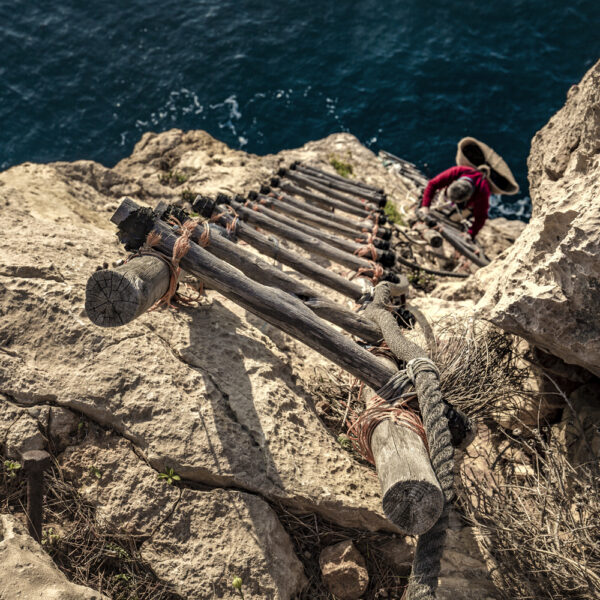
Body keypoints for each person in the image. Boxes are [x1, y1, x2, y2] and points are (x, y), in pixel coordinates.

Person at [418, 165, 491, 239]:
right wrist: (425, 206)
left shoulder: (483, 192)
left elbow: (481, 216)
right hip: (446, 196)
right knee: (440, 205)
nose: (451, 202)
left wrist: (471, 233)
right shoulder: (457, 171)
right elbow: (432, 184)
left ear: (468, 198)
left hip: (464, 207)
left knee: (454, 218)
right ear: (454, 181)